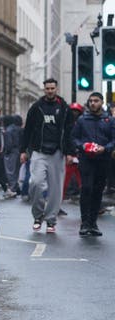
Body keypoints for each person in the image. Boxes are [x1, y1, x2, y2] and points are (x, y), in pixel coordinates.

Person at [20, 78, 75, 233]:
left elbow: (69, 132)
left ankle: (51, 220)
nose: (50, 91)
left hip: (58, 152)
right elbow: (27, 130)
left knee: (56, 189)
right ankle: (38, 216)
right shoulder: (36, 107)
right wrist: (23, 150)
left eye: (52, 88)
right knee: (36, 183)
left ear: (56, 89)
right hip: (39, 151)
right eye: (47, 88)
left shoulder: (64, 108)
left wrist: (70, 152)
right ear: (44, 90)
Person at [71, 92, 115, 236]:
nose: (93, 103)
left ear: (101, 102)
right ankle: (84, 223)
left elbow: (113, 140)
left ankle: (93, 223)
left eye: (96, 101)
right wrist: (83, 146)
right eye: (90, 101)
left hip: (103, 160)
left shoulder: (109, 120)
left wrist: (105, 148)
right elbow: (74, 138)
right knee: (87, 188)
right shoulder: (82, 120)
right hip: (87, 160)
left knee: (98, 191)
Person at [3, 114, 23, 195]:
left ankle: (12, 189)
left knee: (10, 171)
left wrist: (6, 152)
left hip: (11, 152)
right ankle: (16, 187)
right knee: (16, 170)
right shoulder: (19, 129)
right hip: (19, 151)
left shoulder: (8, 130)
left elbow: (8, 144)